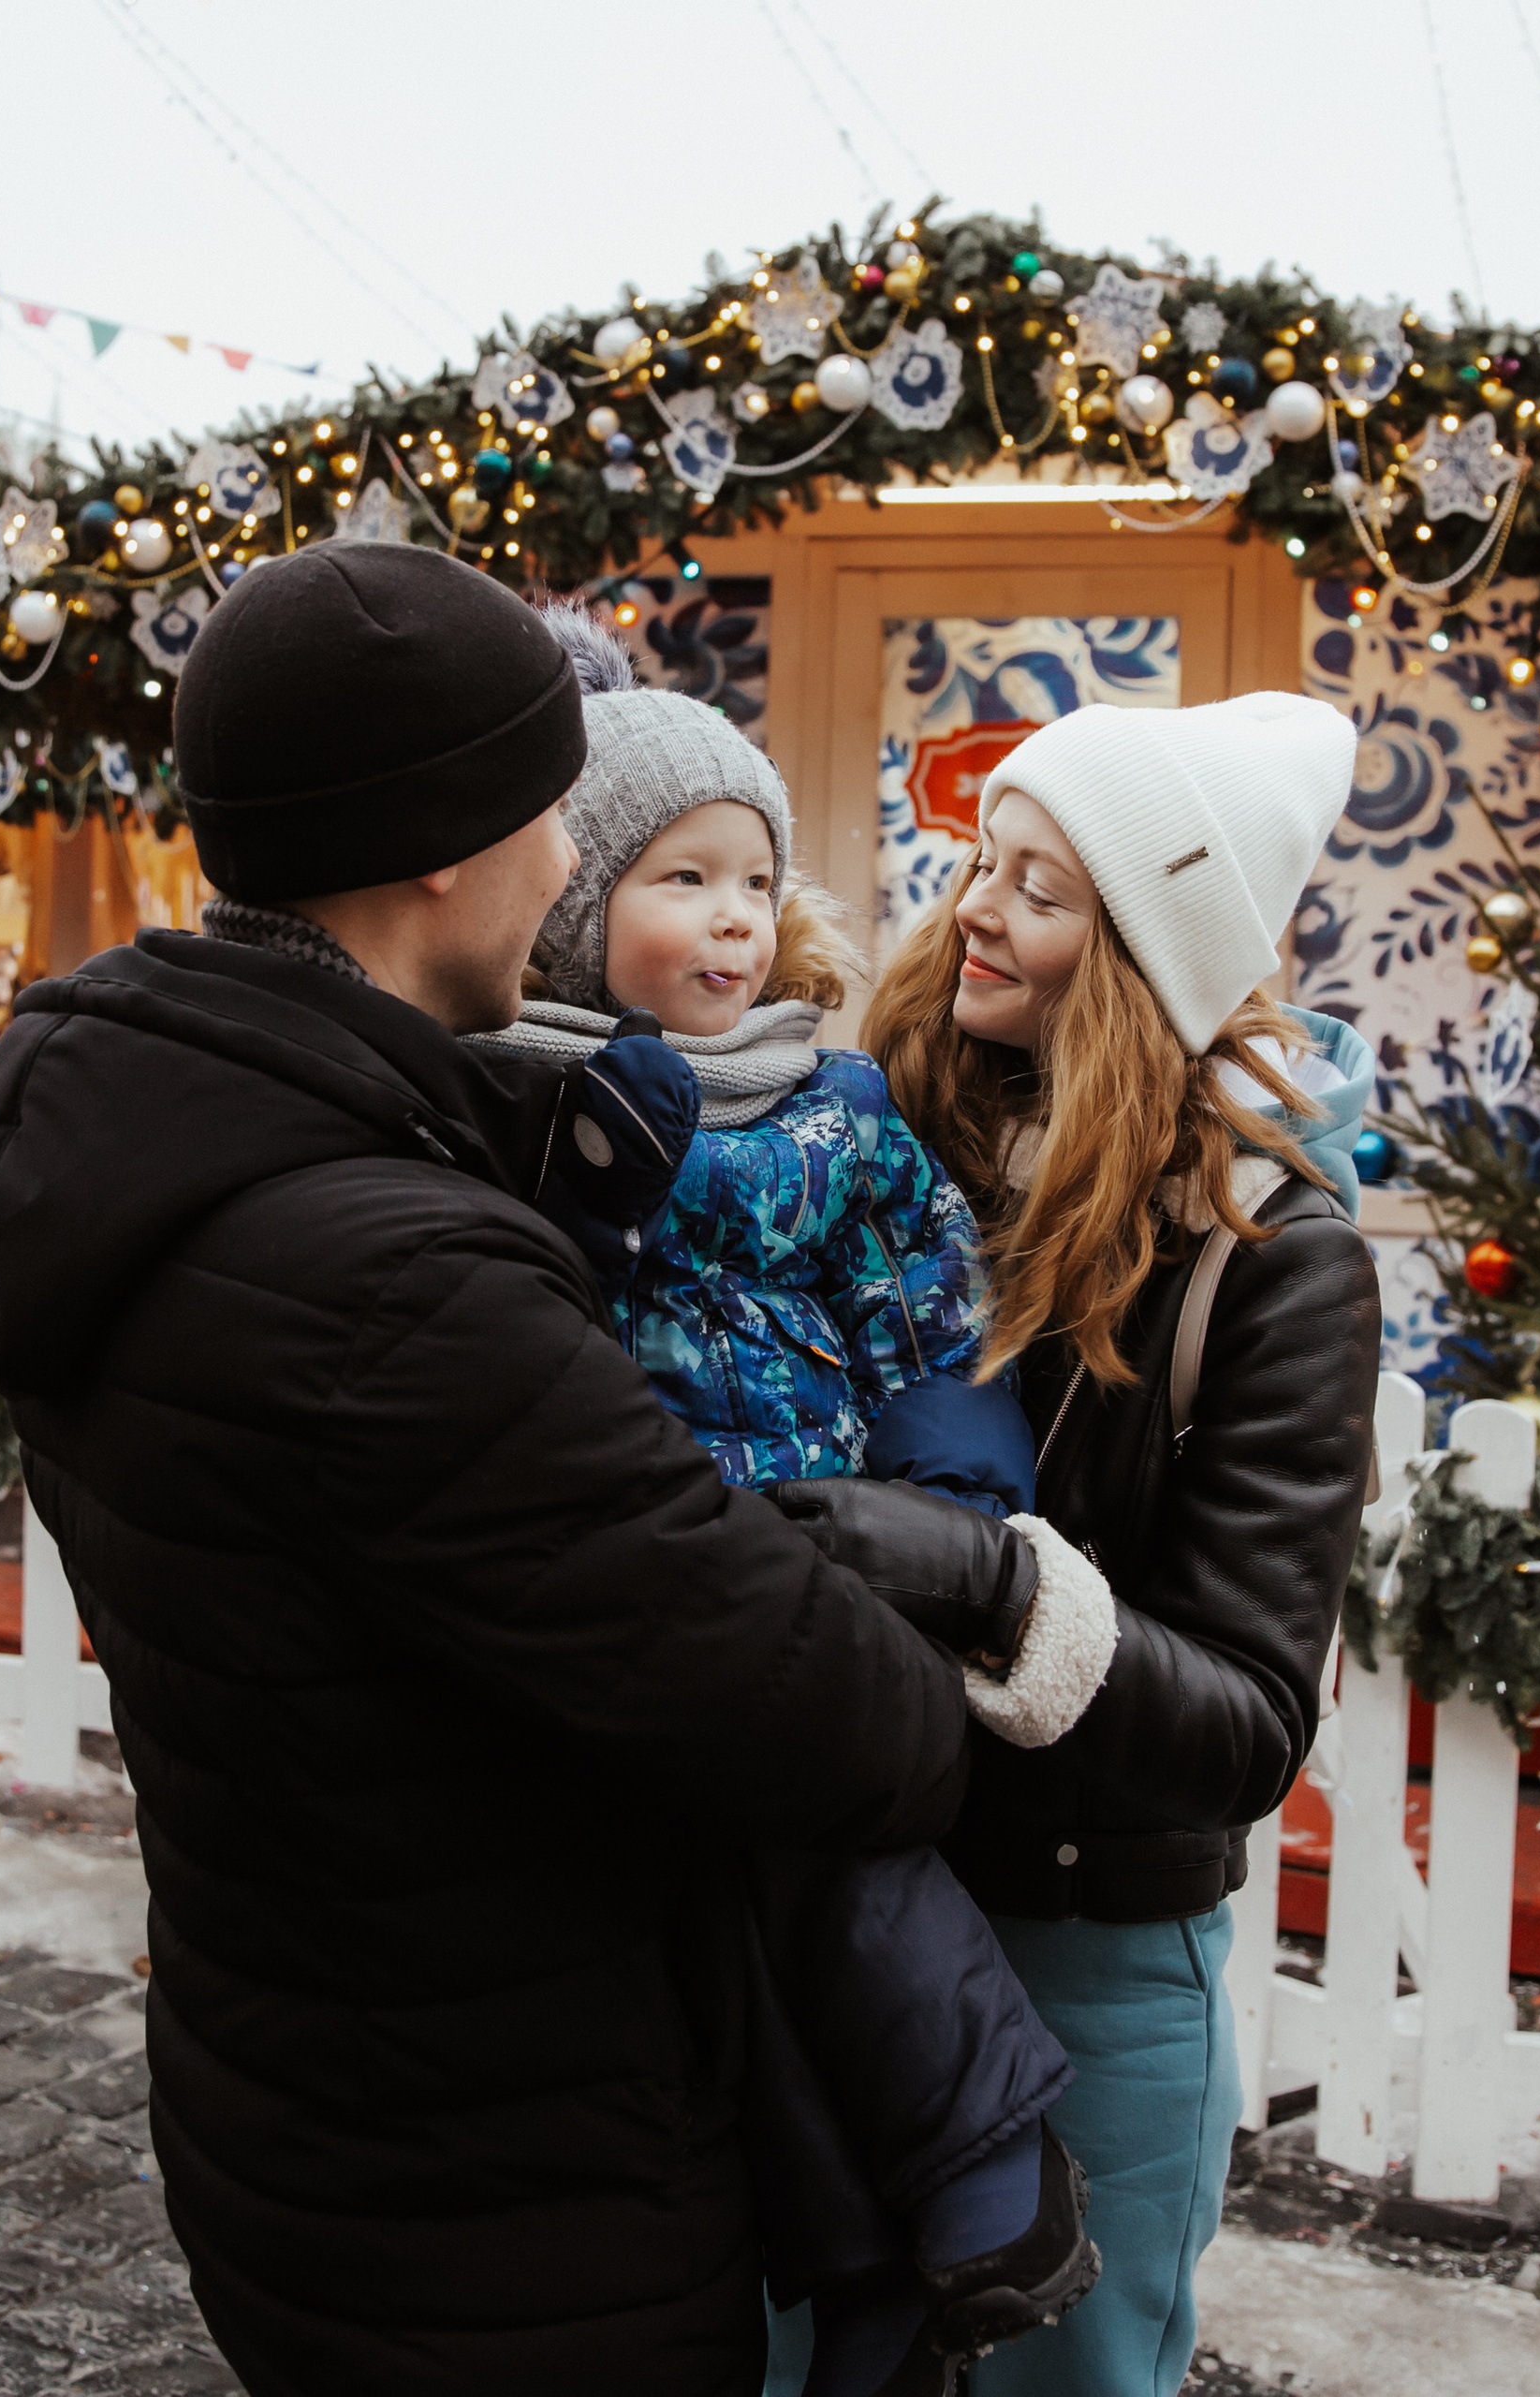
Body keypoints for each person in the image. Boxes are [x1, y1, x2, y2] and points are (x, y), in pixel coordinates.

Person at [0, 543, 1052, 2397]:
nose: (568, 859)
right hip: (504, 2191)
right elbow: (828, 1715)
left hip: (294, 2076)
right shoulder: (392, 1279)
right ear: (448, 844)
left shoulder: (149, 1138)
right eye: (551, 809)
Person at [476, 609, 1115, 2397]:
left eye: (757, 878)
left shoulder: (832, 1104)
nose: (738, 917)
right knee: (737, 1928)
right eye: (684, 879)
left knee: (842, 1857)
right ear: (579, 905)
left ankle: (994, 2169)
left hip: (827, 1532)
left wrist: (950, 1500)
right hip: (643, 1539)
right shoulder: (519, 1098)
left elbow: (926, 1296)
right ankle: (866, 2271)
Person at [862, 694, 1383, 2397]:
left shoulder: (1271, 1261)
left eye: (1042, 888)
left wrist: (1004, 1590)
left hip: (1089, 1959)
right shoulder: (872, 1155)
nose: (976, 911)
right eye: (981, 863)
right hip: (846, 1903)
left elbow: (1245, 1717)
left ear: (1148, 955)